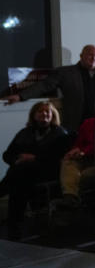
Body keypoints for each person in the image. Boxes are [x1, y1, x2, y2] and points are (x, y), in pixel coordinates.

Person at [6, 45, 95, 133]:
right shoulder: (65, 72)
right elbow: (44, 85)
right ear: (81, 55)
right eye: (90, 55)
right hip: (77, 125)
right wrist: (20, 96)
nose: (94, 58)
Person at [0, 101, 72, 240]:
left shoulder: (60, 133)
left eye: (47, 112)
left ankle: (13, 222)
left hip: (48, 172)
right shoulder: (24, 132)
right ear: (34, 115)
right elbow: (7, 154)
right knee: (19, 180)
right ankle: (14, 224)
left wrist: (34, 158)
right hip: (24, 173)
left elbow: (58, 156)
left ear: (52, 115)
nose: (44, 114)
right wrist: (17, 159)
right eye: (40, 111)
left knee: (19, 175)